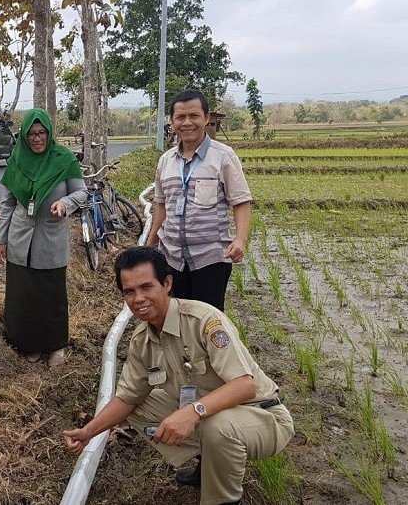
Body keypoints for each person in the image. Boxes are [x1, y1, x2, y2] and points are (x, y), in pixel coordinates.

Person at [63, 246, 293, 505]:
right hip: (210, 416)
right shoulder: (142, 341)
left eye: (146, 287)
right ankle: (210, 461)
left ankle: (224, 499)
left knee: (216, 428)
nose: (138, 299)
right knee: (136, 407)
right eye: (129, 292)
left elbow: (244, 386)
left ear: (167, 283)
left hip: (262, 415)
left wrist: (192, 411)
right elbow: (127, 398)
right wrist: (88, 432)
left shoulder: (204, 320)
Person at [0, 108, 86, 367]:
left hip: (51, 239)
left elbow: (81, 193)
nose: (37, 138)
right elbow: (7, 204)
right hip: (20, 240)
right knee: (23, 296)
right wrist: (1, 240)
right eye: (31, 134)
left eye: (41, 133)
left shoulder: (64, 159)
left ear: (49, 133)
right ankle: (28, 344)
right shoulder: (17, 159)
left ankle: (55, 345)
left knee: (52, 296)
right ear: (24, 136)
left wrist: (65, 204)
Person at [146, 89, 252, 311]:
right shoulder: (166, 161)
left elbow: (241, 202)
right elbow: (161, 206)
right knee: (176, 318)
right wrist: (150, 245)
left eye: (194, 116)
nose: (187, 123)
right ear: (172, 121)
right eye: (180, 117)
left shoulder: (223, 157)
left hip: (210, 259)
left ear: (205, 118)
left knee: (208, 323)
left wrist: (240, 240)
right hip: (172, 258)